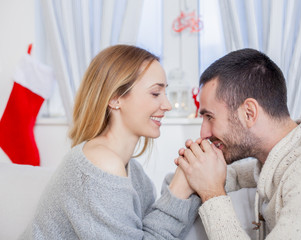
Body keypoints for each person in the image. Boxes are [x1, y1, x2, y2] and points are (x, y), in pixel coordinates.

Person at [176, 48, 301, 240]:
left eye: (209, 117)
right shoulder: (281, 159)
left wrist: (211, 193)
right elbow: (235, 176)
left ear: (249, 113)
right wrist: (193, 170)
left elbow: (217, 183)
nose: (203, 133)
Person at [20, 45, 200, 239]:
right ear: (115, 99)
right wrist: (178, 189)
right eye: (155, 93)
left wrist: (189, 182)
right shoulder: (102, 165)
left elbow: (154, 231)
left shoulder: (135, 174)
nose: (167, 105)